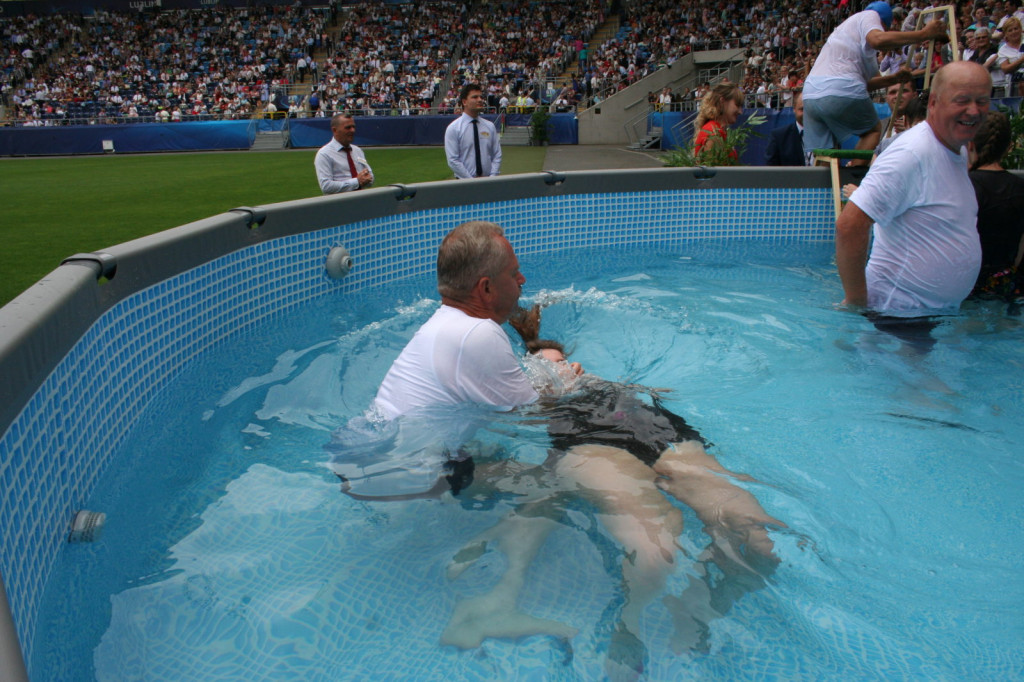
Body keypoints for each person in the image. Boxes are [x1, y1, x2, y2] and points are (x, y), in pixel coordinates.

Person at [441, 304, 785, 678]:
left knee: (759, 541)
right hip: (595, 448)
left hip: (663, 438)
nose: (565, 369)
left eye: (566, 362)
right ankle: (629, 623)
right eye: (549, 367)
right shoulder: (529, 407)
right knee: (657, 552)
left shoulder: (605, 384)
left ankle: (703, 601)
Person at [835, 61, 991, 315]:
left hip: (924, 315)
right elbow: (849, 225)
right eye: (962, 100)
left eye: (982, 101)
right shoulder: (911, 153)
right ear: (933, 103)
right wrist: (856, 302)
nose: (974, 110)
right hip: (895, 314)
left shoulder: (957, 150)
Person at [373, 221, 535, 420]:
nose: (522, 279)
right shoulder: (478, 333)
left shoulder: (445, 325)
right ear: (486, 288)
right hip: (411, 451)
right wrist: (566, 381)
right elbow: (533, 417)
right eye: (513, 273)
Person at [802, 1, 948, 162]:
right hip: (840, 88)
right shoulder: (869, 16)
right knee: (873, 131)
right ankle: (854, 175)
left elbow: (867, 84)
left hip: (810, 94)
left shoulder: (850, 41)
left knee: (824, 153)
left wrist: (894, 78)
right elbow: (877, 39)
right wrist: (923, 34)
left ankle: (823, 186)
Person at [968, 111, 1024, 300]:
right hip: (1007, 282)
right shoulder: (1019, 187)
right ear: (1008, 147)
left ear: (970, 145)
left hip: (966, 282)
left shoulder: (964, 186)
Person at [445, 83, 502, 179]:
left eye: (481, 97)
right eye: (475, 97)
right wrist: (471, 181)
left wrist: (492, 177)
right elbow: (453, 160)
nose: (480, 100)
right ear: (464, 102)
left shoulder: (489, 126)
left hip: (488, 182)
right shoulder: (454, 128)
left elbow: (497, 154)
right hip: (464, 184)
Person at [314, 113, 374, 194]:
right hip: (340, 204)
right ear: (335, 130)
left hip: (361, 201)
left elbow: (370, 177)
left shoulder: (357, 151)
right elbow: (326, 186)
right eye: (348, 128)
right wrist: (356, 182)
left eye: (353, 127)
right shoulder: (324, 154)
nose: (353, 130)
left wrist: (367, 179)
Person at [693, 82, 744, 162]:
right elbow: (716, 174)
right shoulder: (713, 134)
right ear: (722, 101)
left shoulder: (718, 131)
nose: (740, 111)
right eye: (737, 105)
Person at [765, 90, 809, 166]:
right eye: (802, 109)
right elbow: (770, 171)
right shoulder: (778, 137)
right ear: (794, 109)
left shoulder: (826, 135)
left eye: (809, 109)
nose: (806, 113)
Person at [997, 17, 1024, 97]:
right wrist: (1021, 60)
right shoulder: (1003, 50)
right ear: (1005, 33)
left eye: (1016, 29)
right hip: (1014, 85)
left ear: (1021, 29)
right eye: (1010, 30)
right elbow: (1005, 69)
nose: (1014, 32)